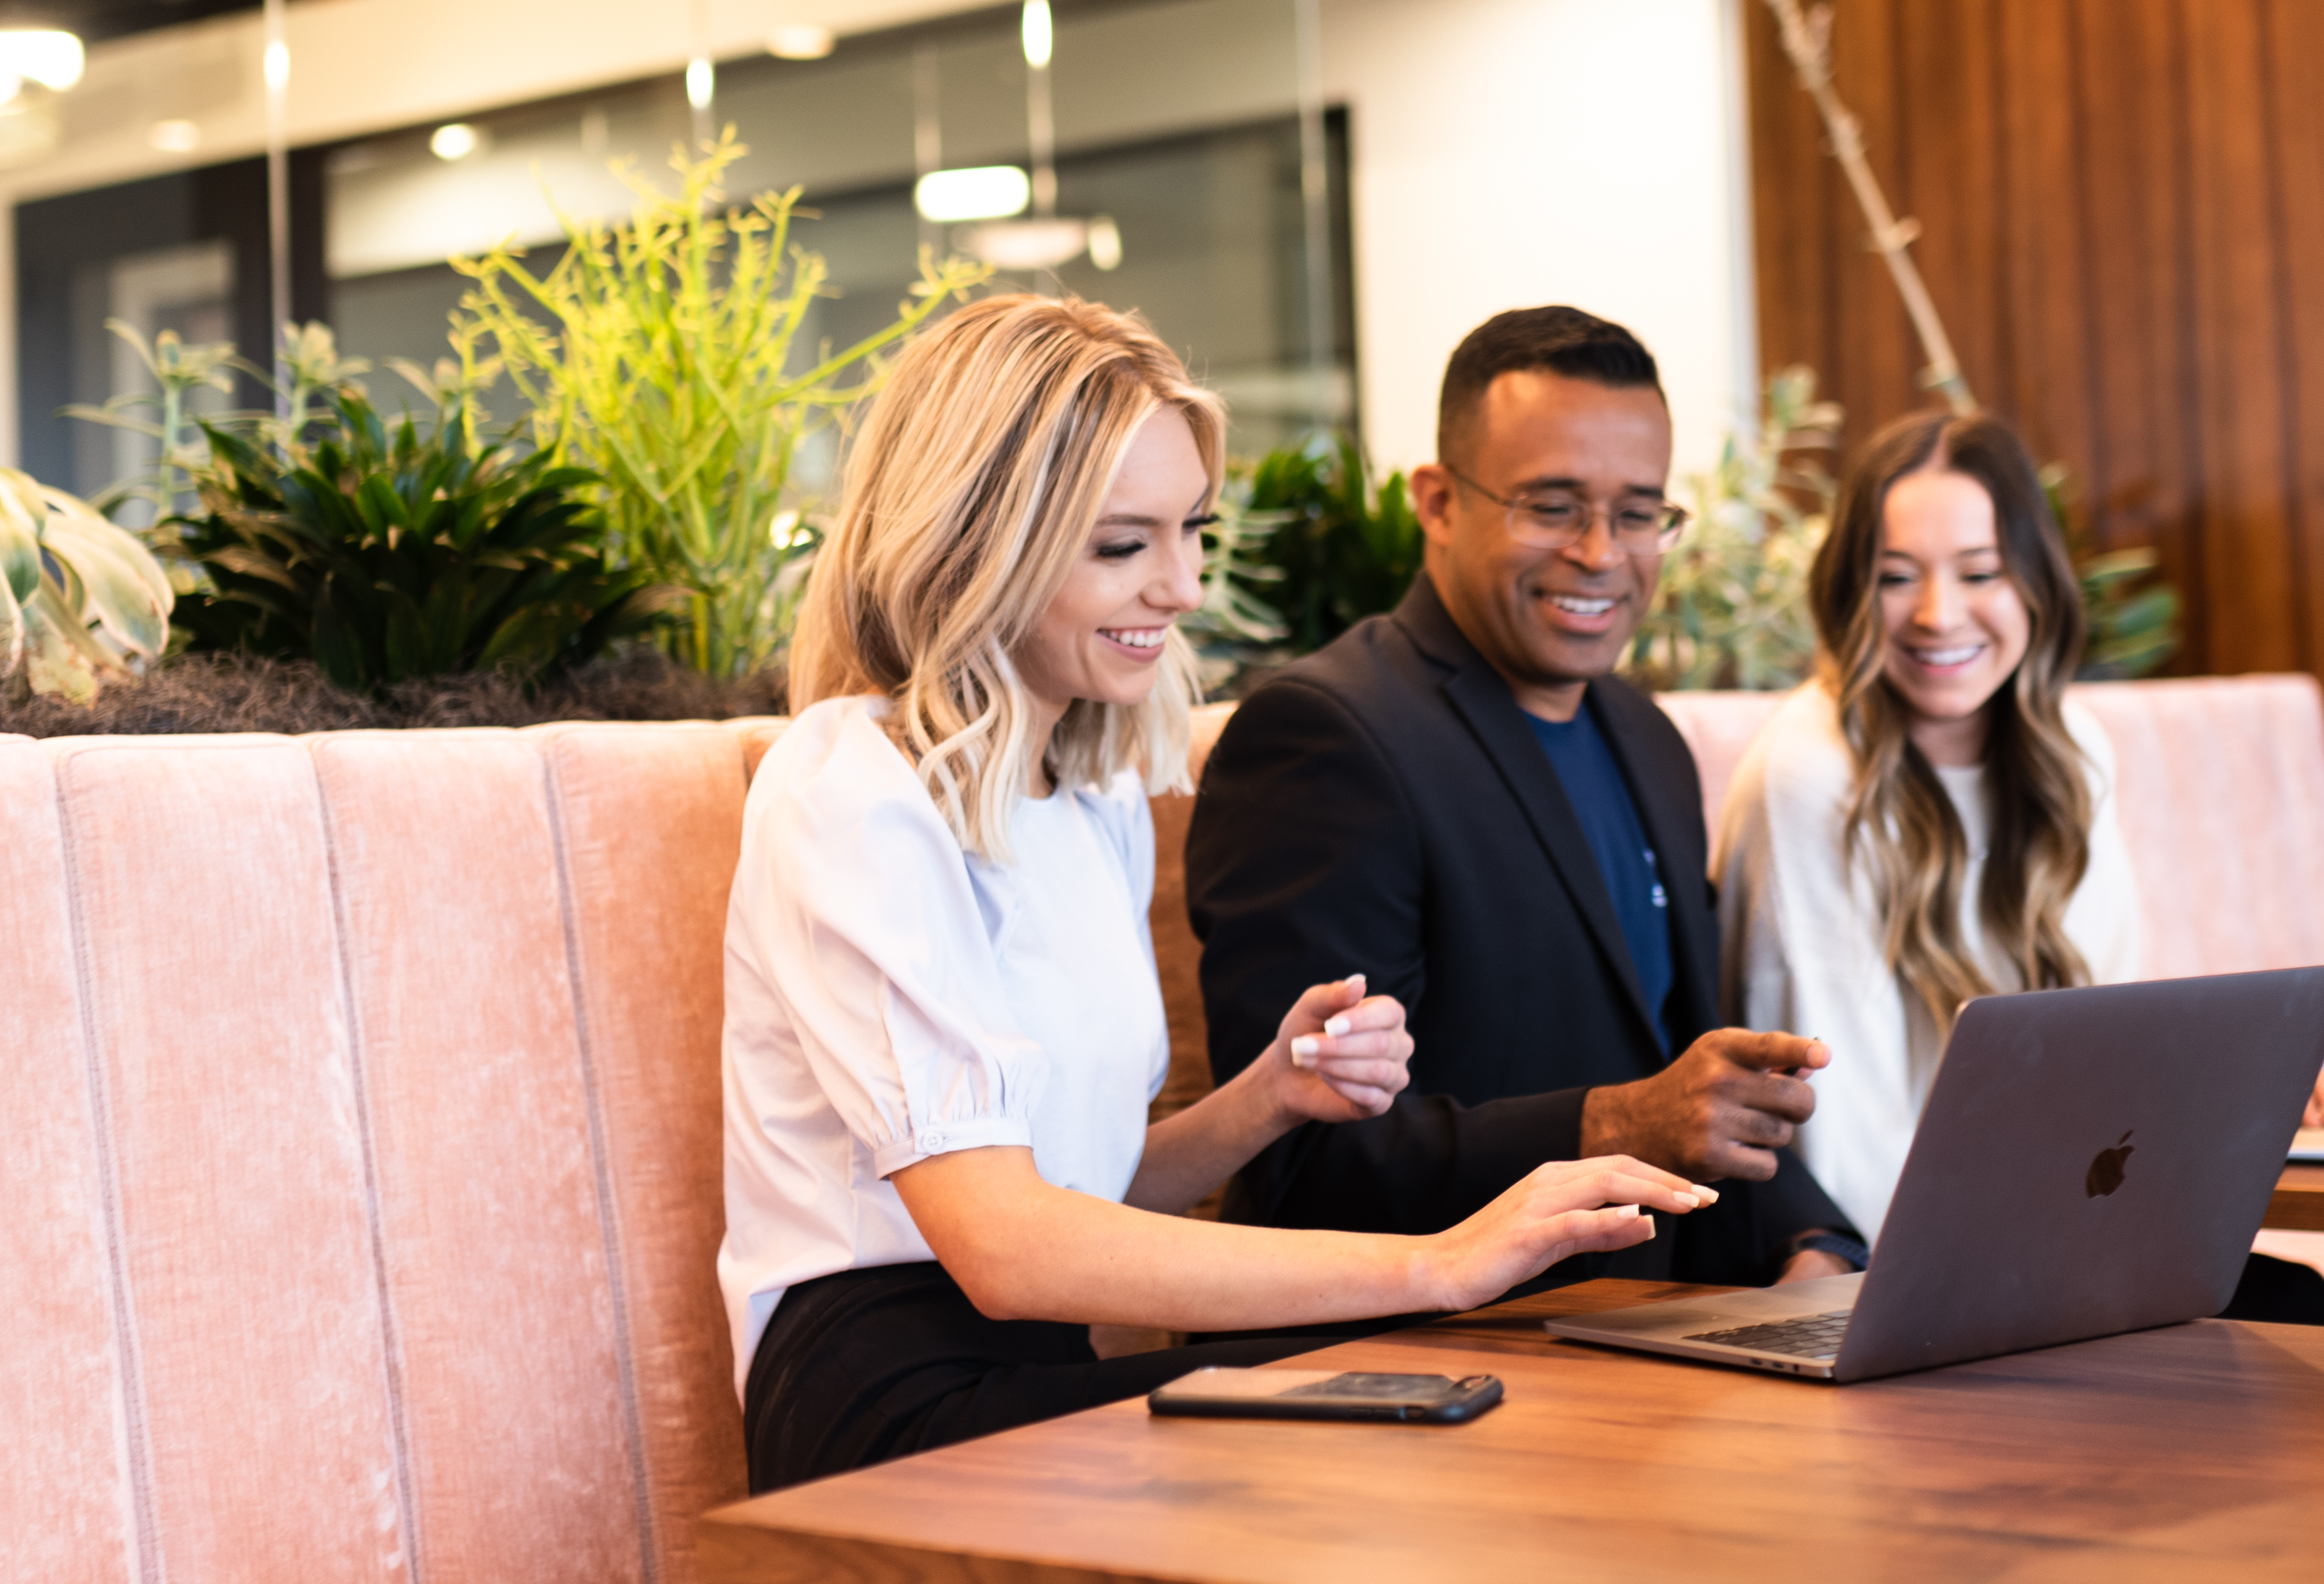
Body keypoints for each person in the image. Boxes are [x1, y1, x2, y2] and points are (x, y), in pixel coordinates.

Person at [720, 295, 1710, 1494]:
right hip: (884, 1408)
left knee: (1471, 1394)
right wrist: (1440, 1263)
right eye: (1122, 546)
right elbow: (1004, 1248)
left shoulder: (1086, 794)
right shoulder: (849, 789)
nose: (1182, 587)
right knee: (1425, 1395)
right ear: (980, 541)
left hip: (1030, 1367)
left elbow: (1077, 1189)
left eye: (1192, 530)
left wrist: (1268, 1100)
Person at [1188, 306, 1863, 1292]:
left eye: (1639, 514)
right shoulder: (1325, 737)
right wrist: (1620, 1122)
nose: (1601, 553)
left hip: (1648, 1339)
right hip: (1424, 1366)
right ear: (1438, 503)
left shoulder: (1647, 738)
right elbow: (1298, 1161)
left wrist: (1811, 1251)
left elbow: (1697, 1094)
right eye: (1553, 506)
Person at [1711, 408, 2324, 1322]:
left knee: (2316, 1326)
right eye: (1897, 578)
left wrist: (2239, 1096)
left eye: (1980, 573)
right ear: (1853, 594)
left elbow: (2103, 1048)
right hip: (1916, 1275)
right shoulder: (1811, 773)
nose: (1939, 616)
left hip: (2058, 1237)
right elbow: (1834, 1131)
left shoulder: (2070, 751)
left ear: (2034, 583)